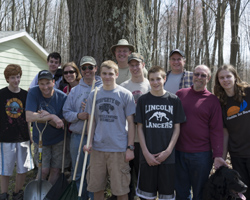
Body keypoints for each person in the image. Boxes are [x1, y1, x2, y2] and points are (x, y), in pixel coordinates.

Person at [84, 60, 135, 200]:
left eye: (111, 74)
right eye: (104, 74)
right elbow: (92, 121)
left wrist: (130, 147)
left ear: (117, 74)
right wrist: (89, 141)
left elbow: (131, 123)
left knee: (121, 189)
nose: (107, 77)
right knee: (97, 187)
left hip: (118, 149)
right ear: (100, 75)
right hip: (98, 148)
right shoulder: (94, 94)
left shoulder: (125, 94)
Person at [175, 65, 227, 200]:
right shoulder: (180, 94)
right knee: (181, 192)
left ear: (208, 79)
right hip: (179, 152)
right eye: (197, 74)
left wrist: (217, 155)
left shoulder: (212, 101)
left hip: (201, 155)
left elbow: (216, 130)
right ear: (192, 76)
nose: (199, 77)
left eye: (203, 75)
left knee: (200, 193)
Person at [135, 66, 186, 200]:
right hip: (147, 157)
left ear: (164, 79)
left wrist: (168, 151)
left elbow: (177, 128)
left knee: (167, 196)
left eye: (158, 79)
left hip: (168, 158)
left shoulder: (174, 100)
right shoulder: (143, 100)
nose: (155, 82)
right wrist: (145, 153)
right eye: (152, 79)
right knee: (146, 196)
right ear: (148, 80)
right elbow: (139, 127)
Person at [63, 56, 102, 200]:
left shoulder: (103, 87)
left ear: (95, 69)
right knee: (78, 170)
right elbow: (66, 113)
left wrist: (93, 110)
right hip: (78, 137)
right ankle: (80, 196)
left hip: (96, 137)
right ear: (81, 70)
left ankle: (93, 197)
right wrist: (79, 115)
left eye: (90, 67)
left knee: (94, 172)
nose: (87, 71)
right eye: (84, 68)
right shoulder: (74, 91)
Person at [214, 64, 250, 199]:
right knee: (244, 191)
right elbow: (225, 134)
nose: (225, 80)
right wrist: (221, 158)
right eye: (221, 77)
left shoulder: (248, 92)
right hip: (237, 154)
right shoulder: (221, 103)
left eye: (228, 76)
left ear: (235, 77)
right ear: (218, 81)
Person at [26, 70, 67, 185]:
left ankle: (48, 196)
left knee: (55, 170)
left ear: (53, 82)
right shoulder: (34, 92)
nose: (45, 87)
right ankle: (37, 193)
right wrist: (52, 117)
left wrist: (48, 117)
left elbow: (61, 123)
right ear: (38, 83)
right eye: (42, 84)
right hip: (40, 139)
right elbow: (29, 116)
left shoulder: (62, 97)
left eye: (48, 83)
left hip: (58, 139)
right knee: (43, 170)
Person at [0, 64, 34, 200]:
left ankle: (17, 193)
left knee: (22, 168)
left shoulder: (26, 95)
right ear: (7, 79)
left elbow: (29, 117)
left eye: (18, 77)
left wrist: (30, 135)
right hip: (5, 138)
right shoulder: (1, 94)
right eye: (12, 77)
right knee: (5, 169)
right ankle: (3, 194)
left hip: (23, 137)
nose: (16, 80)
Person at [120, 52, 150, 200]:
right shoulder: (123, 87)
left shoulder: (151, 85)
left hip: (144, 140)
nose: (134, 67)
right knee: (126, 175)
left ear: (143, 65)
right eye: (131, 65)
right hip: (126, 139)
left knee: (143, 175)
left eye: (137, 64)